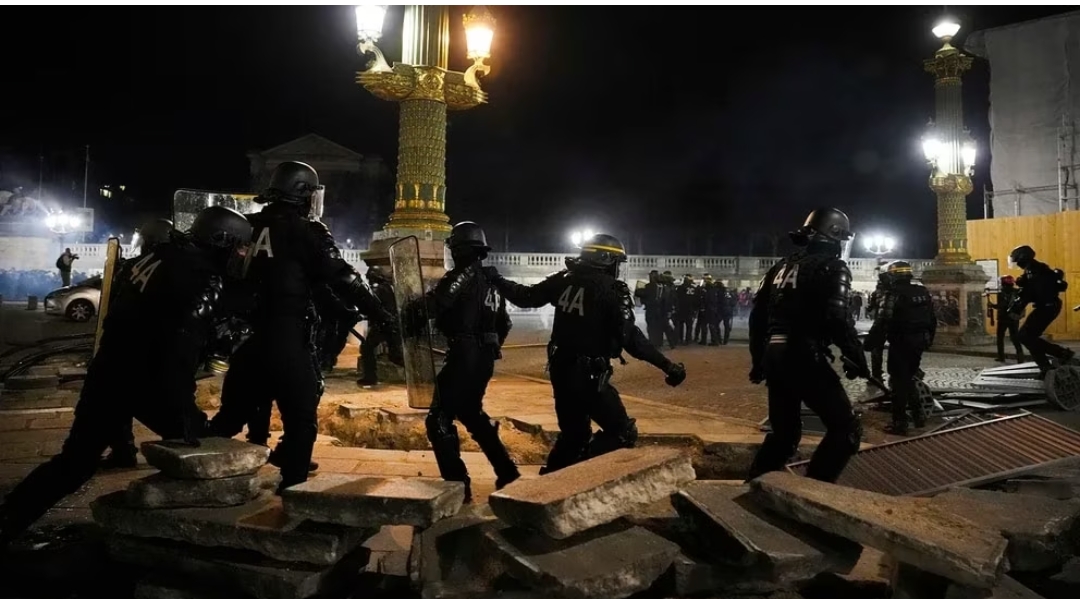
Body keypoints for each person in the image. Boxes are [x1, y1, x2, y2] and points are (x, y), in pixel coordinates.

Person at [0, 206, 252, 549]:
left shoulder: (158, 255)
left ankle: (7, 522)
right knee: (204, 450)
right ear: (221, 241)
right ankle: (190, 544)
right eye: (239, 247)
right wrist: (186, 414)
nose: (242, 255)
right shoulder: (200, 276)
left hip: (111, 367)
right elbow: (177, 354)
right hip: (145, 378)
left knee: (74, 462)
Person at [206, 161, 394, 491]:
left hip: (244, 339)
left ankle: (195, 473)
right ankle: (292, 492)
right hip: (286, 336)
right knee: (301, 419)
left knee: (229, 418)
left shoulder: (247, 226)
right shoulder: (308, 232)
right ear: (304, 194)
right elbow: (344, 279)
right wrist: (383, 316)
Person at [485, 233, 687, 474]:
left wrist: (497, 279)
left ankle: (552, 480)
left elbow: (525, 297)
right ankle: (579, 473)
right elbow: (631, 338)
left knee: (574, 435)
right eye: (615, 262)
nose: (617, 268)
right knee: (622, 433)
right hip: (589, 376)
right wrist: (667, 366)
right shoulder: (612, 290)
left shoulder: (563, 279)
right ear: (605, 259)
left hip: (560, 369)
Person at [746, 208, 868, 483]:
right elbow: (837, 319)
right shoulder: (833, 267)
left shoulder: (781, 266)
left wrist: (758, 361)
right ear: (835, 235)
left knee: (784, 434)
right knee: (845, 429)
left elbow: (758, 318)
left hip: (774, 354)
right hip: (804, 355)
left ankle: (754, 485)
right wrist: (856, 357)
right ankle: (814, 491)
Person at [412, 222, 518, 503]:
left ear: (458, 251)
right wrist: (488, 347)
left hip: (464, 354)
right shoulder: (491, 282)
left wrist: (412, 309)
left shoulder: (460, 276)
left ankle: (457, 486)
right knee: (472, 414)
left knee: (439, 420)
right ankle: (507, 472)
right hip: (484, 357)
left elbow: (435, 305)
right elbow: (504, 323)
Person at [100, 218, 180, 470]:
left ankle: (182, 436)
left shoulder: (140, 266)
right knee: (121, 400)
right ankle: (125, 449)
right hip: (148, 345)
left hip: (139, 346)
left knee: (127, 399)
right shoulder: (174, 266)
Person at [863, 261, 936, 435]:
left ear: (893, 276)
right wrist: (929, 341)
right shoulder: (922, 292)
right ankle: (918, 416)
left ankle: (899, 423)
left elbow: (882, 322)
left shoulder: (892, 294)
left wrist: (870, 343)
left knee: (897, 382)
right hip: (919, 341)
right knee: (909, 377)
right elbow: (932, 319)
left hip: (901, 342)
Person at [1007, 245, 1075, 375]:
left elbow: (1029, 293)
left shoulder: (1036, 272)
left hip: (1047, 307)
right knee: (1028, 337)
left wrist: (1016, 308)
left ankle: (1057, 357)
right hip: (1047, 306)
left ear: (1023, 259)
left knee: (1025, 336)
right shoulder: (1034, 269)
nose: (1018, 265)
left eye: (1018, 262)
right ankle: (1051, 362)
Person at [358, 265, 400, 387]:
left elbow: (373, 306)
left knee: (367, 348)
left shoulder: (379, 289)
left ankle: (370, 377)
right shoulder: (387, 288)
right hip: (389, 323)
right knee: (395, 355)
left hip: (383, 324)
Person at [990, 275, 1025, 363]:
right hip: (1014, 318)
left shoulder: (1001, 293)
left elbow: (1002, 306)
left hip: (1003, 318)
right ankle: (1020, 357)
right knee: (1015, 338)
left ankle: (1001, 357)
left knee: (1000, 338)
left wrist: (992, 305)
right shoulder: (1017, 292)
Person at [636, 270, 667, 348]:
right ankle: (659, 343)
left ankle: (653, 342)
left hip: (651, 310)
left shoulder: (649, 286)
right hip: (661, 310)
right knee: (659, 327)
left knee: (651, 327)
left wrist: (638, 289)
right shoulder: (663, 286)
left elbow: (641, 294)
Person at [674, 274, 699, 345]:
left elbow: (677, 298)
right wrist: (695, 309)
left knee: (681, 326)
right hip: (690, 309)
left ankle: (680, 339)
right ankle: (688, 339)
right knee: (689, 326)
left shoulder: (680, 288)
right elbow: (696, 299)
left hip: (681, 309)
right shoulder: (694, 288)